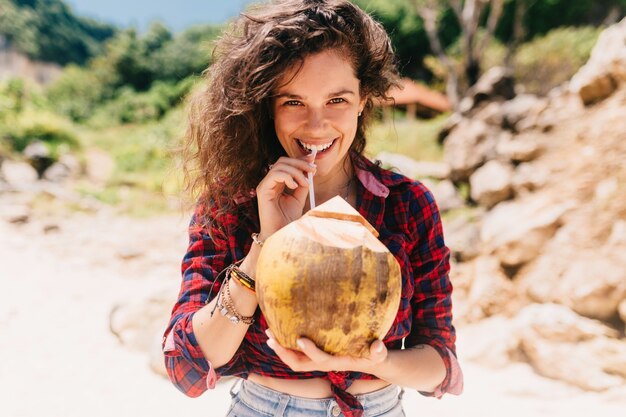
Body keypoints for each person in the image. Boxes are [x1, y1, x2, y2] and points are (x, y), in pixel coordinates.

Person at [162, 1, 463, 416]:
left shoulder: (407, 204)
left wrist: (376, 362)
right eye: (293, 102)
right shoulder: (230, 205)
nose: (317, 125)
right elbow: (187, 368)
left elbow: (440, 367)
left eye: (337, 99)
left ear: (363, 100)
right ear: (266, 105)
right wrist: (265, 244)